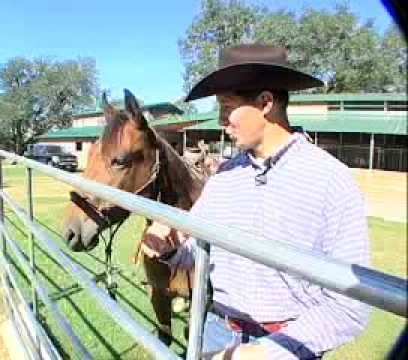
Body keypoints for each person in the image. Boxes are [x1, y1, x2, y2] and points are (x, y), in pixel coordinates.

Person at [142, 44, 370, 359]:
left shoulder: (330, 180)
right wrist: (169, 249)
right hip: (216, 330)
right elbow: (197, 253)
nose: (221, 121)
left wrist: (262, 353)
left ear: (265, 103)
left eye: (226, 106)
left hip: (291, 343)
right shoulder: (224, 177)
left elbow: (350, 306)